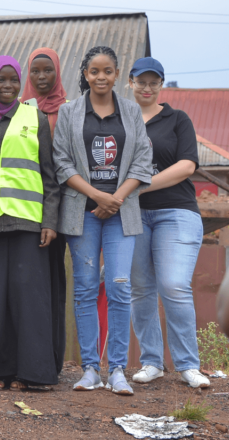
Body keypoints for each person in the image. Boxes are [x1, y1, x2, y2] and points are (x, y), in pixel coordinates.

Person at [52, 45, 152, 395]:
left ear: (116, 75)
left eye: (107, 71)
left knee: (120, 286)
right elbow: (61, 163)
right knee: (85, 288)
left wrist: (116, 198)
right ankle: (91, 369)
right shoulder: (70, 113)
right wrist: (98, 196)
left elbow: (142, 161)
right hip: (84, 212)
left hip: (122, 212)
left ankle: (119, 369)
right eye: (94, 71)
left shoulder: (131, 112)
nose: (100, 77)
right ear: (85, 74)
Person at [0, 56, 61, 390]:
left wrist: (49, 220)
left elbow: (50, 175)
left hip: (28, 221)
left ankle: (33, 373)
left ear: (21, 83)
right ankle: (1, 372)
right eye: (1, 80)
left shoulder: (35, 118)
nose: (7, 86)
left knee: (29, 299)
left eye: (13, 80)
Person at [127, 57, 210, 389]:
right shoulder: (122, 120)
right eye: (141, 81)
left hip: (176, 211)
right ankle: (152, 361)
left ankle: (188, 364)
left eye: (154, 82)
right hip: (131, 214)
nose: (147, 88)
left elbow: (187, 165)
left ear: (161, 85)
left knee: (174, 285)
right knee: (140, 288)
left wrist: (139, 184)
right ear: (129, 82)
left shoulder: (177, 119)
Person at [19, 47, 68, 374]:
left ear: (57, 73)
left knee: (54, 283)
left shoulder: (69, 111)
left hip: (61, 208)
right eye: (35, 71)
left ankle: (52, 359)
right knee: (28, 284)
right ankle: (28, 358)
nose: (40, 77)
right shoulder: (19, 110)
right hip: (25, 208)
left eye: (47, 71)